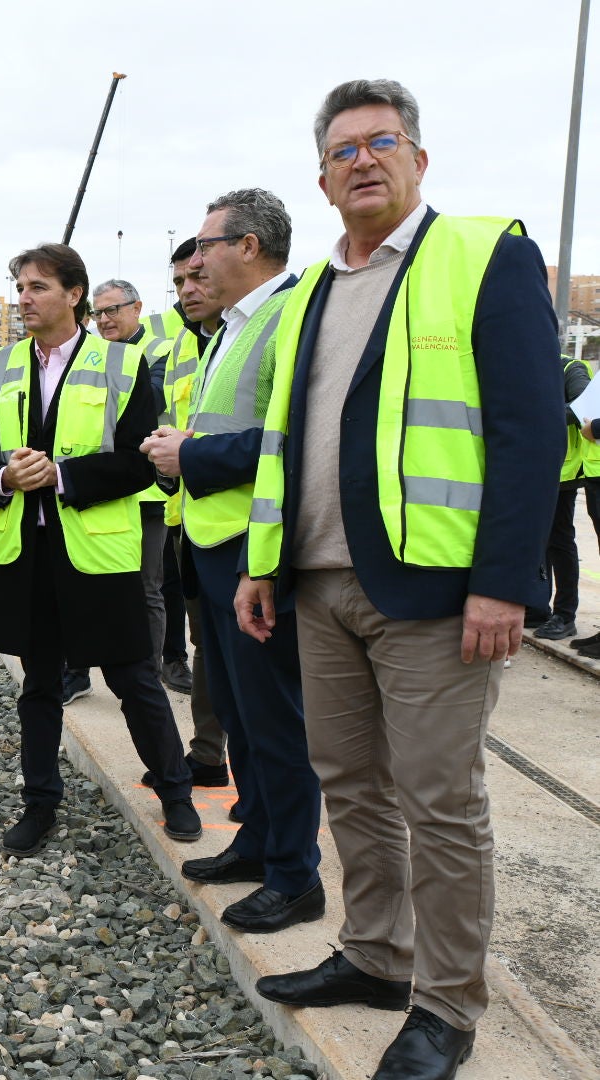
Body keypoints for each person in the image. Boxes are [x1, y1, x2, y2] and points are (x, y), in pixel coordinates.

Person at [237, 80, 564, 1080]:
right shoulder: (309, 297)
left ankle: (446, 1003)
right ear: (323, 178)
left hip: (434, 587)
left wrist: (505, 580)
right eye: (343, 150)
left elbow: (528, 425)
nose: (363, 159)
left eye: (383, 142)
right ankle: (377, 955)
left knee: (440, 800)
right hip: (320, 584)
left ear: (420, 159)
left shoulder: (480, 254)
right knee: (353, 784)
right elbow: (283, 442)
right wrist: (262, 564)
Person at [0, 243, 201, 855]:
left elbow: (138, 464)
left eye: (37, 286)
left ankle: (175, 791)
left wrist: (61, 476)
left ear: (74, 295)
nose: (24, 298)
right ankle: (39, 804)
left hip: (97, 554)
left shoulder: (122, 365)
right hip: (25, 554)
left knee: (132, 677)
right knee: (39, 684)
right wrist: (4, 478)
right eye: (19, 286)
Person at [142, 190, 323, 934]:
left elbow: (292, 441)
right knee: (243, 719)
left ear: (248, 246)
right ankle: (257, 842)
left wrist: (190, 453)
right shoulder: (231, 329)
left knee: (276, 721)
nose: (196, 260)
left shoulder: (289, 318)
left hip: (259, 551)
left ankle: (294, 874)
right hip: (216, 547)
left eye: (207, 245)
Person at [62, 279, 172, 708]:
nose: (104, 320)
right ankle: (77, 672)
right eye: (98, 312)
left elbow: (150, 401)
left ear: (137, 308)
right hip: (93, 492)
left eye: (114, 310)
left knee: (146, 589)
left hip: (144, 496)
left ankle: (149, 672)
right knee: (78, 584)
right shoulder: (84, 357)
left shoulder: (157, 354)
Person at [154, 241, 233, 788]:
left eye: (198, 277)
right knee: (207, 643)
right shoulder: (188, 347)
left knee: (244, 653)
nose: (188, 291)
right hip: (191, 518)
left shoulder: (252, 337)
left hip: (249, 528)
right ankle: (208, 754)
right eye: (180, 281)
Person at [527, 354, 593, 640]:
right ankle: (538, 606)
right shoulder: (531, 365)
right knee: (535, 541)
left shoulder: (570, 368)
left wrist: (538, 413)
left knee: (559, 541)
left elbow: (584, 410)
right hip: (535, 467)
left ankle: (565, 615)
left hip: (563, 471)